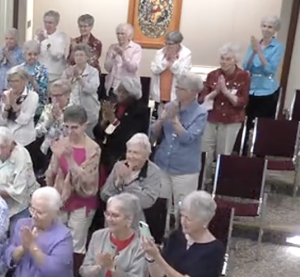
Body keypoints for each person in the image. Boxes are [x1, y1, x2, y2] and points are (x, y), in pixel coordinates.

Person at [46, 105, 100, 254]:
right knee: (57, 241)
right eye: (67, 127)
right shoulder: (61, 142)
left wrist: (70, 160)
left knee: (76, 246)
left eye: (75, 127)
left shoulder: (93, 149)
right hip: (61, 199)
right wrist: (56, 157)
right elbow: (51, 175)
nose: (70, 132)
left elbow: (87, 182)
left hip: (82, 201)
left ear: (84, 126)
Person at [150, 72, 207, 214]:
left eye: (181, 89)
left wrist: (174, 119)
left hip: (185, 170)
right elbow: (152, 134)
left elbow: (188, 138)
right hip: (163, 165)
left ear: (193, 93)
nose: (176, 91)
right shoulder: (169, 106)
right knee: (161, 209)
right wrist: (161, 120)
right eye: (177, 87)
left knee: (183, 210)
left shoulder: (200, 113)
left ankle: (179, 235)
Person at [199, 43, 250, 179]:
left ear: (235, 60)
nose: (224, 62)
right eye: (222, 58)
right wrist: (216, 92)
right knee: (205, 152)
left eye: (228, 59)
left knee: (223, 154)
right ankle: (204, 180)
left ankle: (219, 183)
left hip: (231, 120)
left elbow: (241, 102)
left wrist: (226, 92)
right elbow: (202, 99)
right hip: (211, 118)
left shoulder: (243, 76)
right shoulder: (213, 75)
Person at [94, 76, 150, 179]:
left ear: (132, 94)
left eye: (123, 92)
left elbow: (129, 136)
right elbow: (98, 134)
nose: (119, 95)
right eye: (118, 91)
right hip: (106, 155)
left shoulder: (140, 111)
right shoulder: (114, 107)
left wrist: (113, 121)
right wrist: (103, 122)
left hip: (124, 156)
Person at [0, 126, 39, 233]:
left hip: (18, 208)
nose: (0, 151)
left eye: (3, 147)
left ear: (11, 144)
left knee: (17, 239)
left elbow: (18, 191)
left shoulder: (21, 155)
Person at [101, 133, 162, 224]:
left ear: (146, 156)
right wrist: (117, 184)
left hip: (138, 221)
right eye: (129, 152)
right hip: (114, 219)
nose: (131, 156)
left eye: (136, 153)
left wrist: (128, 181)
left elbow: (147, 201)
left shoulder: (153, 172)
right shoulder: (119, 166)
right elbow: (104, 196)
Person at [243, 16, 284, 143]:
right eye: (264, 26)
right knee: (247, 121)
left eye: (270, 27)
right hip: (251, 88)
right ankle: (243, 153)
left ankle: (259, 155)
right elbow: (246, 66)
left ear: (275, 30)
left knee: (262, 125)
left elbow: (270, 69)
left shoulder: (278, 47)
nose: (266, 29)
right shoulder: (254, 44)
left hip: (267, 90)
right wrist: (254, 52)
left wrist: (259, 52)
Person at [0, 65, 39, 159]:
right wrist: (7, 106)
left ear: (24, 81)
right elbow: (1, 122)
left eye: (16, 81)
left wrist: (13, 104)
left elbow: (24, 120)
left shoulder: (32, 96)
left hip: (25, 141)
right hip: (8, 141)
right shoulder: (6, 94)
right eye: (10, 81)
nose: (12, 84)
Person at [62, 44, 100, 137]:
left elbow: (91, 89)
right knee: (72, 137)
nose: (78, 57)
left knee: (86, 138)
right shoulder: (68, 71)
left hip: (88, 111)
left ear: (87, 57)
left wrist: (79, 77)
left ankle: (84, 152)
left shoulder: (93, 72)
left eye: (81, 55)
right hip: (71, 110)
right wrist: (69, 79)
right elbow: (62, 88)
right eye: (76, 55)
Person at [150, 31, 192, 114]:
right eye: (166, 43)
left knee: (172, 122)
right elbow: (154, 69)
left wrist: (174, 62)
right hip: (160, 94)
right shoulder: (160, 53)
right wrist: (165, 61)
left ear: (178, 44)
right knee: (158, 121)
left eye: (170, 44)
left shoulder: (186, 54)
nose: (167, 46)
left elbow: (183, 75)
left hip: (175, 96)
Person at [104, 24, 142, 100]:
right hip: (113, 86)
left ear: (129, 35)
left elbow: (133, 68)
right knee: (111, 110)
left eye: (122, 34)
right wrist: (112, 58)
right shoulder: (112, 47)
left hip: (127, 89)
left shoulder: (136, 48)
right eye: (118, 33)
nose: (119, 36)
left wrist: (123, 56)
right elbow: (107, 68)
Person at [35, 10, 69, 82]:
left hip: (55, 75)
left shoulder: (61, 36)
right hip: (40, 73)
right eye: (45, 22)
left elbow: (57, 55)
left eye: (50, 23)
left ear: (56, 23)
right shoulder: (40, 35)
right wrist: (39, 42)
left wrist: (46, 41)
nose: (47, 25)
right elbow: (34, 53)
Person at [20, 40, 49, 120]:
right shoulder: (20, 69)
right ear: (24, 54)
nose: (32, 57)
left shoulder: (42, 70)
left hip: (37, 108)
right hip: (21, 108)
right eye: (29, 54)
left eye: (35, 54)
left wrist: (33, 82)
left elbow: (43, 92)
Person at [0, 28, 24, 92]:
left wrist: (8, 57)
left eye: (11, 39)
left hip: (11, 84)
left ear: (16, 40)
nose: (8, 41)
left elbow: (19, 69)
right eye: (6, 38)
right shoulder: (0, 50)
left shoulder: (21, 52)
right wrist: (1, 57)